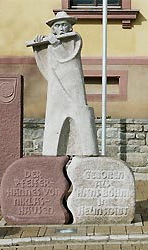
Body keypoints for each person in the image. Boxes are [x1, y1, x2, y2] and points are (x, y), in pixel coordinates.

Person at [30, 11, 99, 156]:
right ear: (53, 29)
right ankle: (52, 151)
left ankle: (87, 150)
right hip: (57, 86)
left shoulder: (75, 39)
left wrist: (56, 44)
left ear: (70, 27)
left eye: (64, 25)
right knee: (55, 113)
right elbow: (47, 63)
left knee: (78, 109)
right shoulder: (52, 42)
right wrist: (38, 47)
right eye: (58, 25)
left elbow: (67, 57)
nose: (61, 28)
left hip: (72, 84)